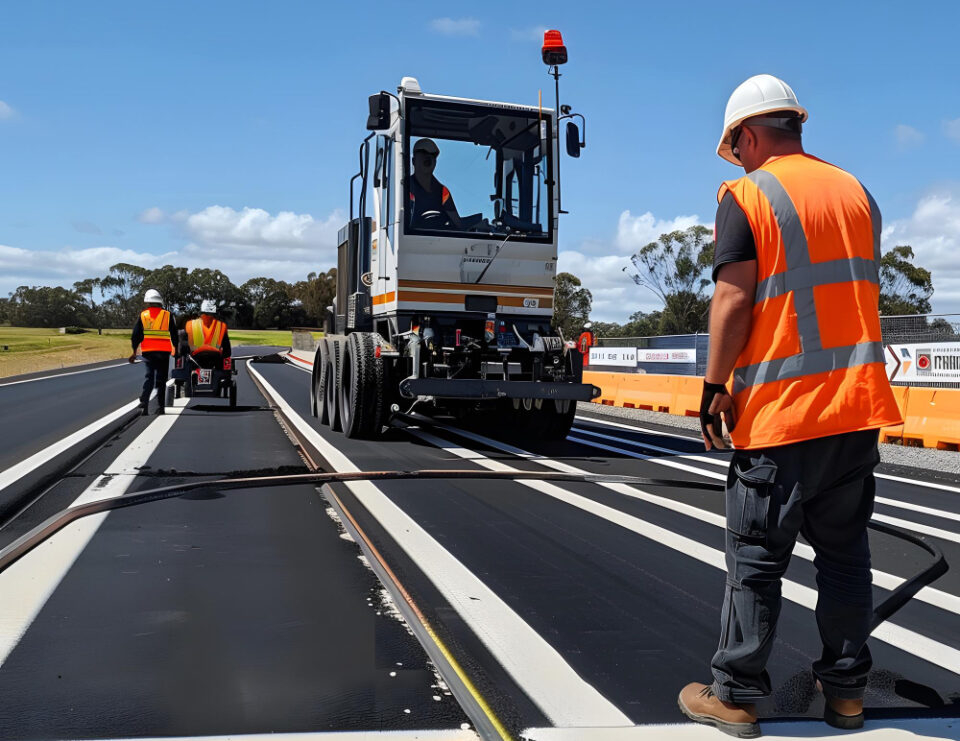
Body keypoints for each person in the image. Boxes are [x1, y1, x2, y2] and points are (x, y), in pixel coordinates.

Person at [678, 74, 903, 738]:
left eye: (736, 148)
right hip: (854, 413)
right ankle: (849, 697)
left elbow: (734, 299)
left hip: (782, 414)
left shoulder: (748, 196)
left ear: (748, 136)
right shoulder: (858, 194)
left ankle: (738, 695)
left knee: (755, 554)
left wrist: (715, 385)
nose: (737, 160)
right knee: (843, 557)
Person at [129, 289, 178, 415]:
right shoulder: (168, 315)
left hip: (148, 352)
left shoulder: (143, 315)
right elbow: (174, 335)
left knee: (149, 376)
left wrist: (134, 352)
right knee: (161, 379)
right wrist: (176, 349)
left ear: (148, 302)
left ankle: (144, 401)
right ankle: (160, 407)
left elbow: (136, 336)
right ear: (159, 302)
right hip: (163, 353)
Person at [409, 138, 462, 229]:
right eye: (423, 153)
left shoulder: (443, 192)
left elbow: (458, 225)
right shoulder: (405, 187)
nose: (428, 157)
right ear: (413, 161)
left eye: (432, 155)